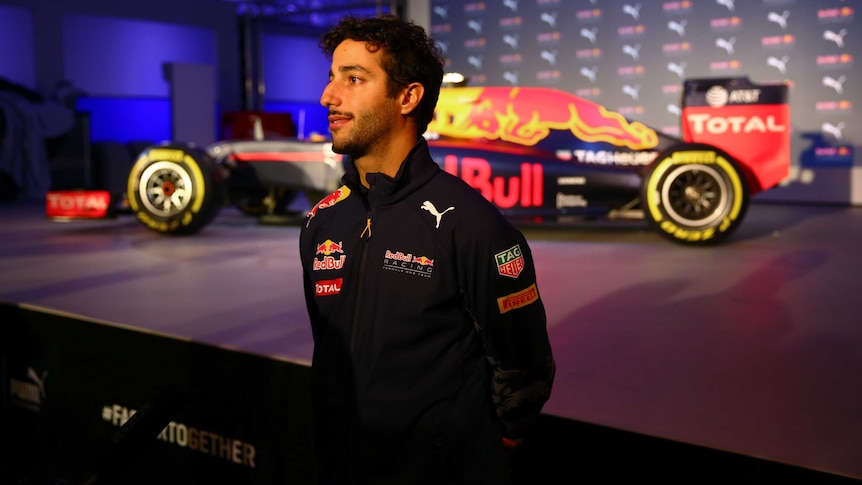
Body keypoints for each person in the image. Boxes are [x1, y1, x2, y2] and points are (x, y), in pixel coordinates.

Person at [299, 14, 555, 485]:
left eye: (353, 79)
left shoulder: (473, 226)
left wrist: (471, 450)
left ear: (408, 97)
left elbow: (525, 368)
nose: (328, 97)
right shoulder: (322, 221)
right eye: (332, 77)